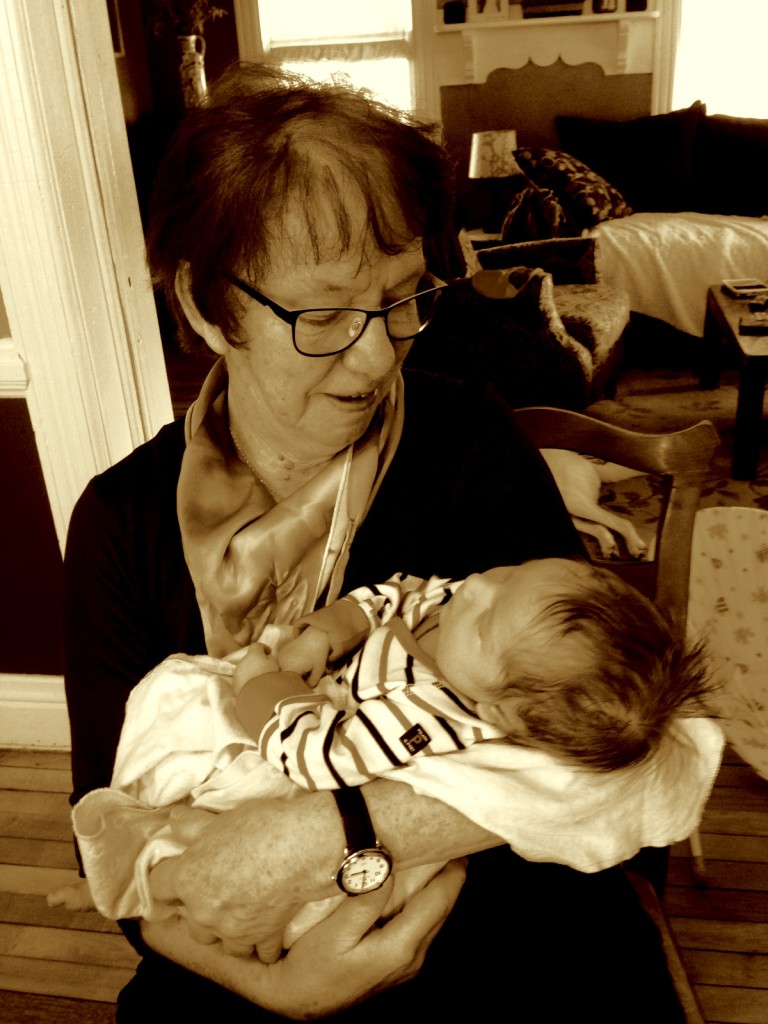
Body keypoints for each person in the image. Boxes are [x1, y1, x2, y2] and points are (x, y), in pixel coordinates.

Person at [63, 62, 722, 1022]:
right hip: (236, 958)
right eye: (323, 315)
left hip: (500, 941)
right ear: (206, 306)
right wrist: (274, 985)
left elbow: (642, 758)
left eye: (403, 296)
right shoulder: (119, 523)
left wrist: (344, 830)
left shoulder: (470, 446)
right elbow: (111, 839)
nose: (377, 354)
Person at [58, 558, 718, 936]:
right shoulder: (462, 617)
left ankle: (156, 847)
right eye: (510, 573)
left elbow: (319, 761)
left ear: (493, 708)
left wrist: (264, 689)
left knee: (186, 713)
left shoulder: (430, 715)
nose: (477, 588)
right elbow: (395, 596)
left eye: (486, 621)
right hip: (321, 697)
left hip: (306, 753)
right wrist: (326, 630)